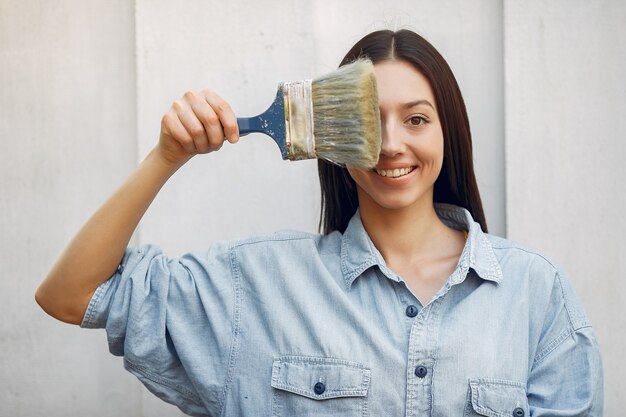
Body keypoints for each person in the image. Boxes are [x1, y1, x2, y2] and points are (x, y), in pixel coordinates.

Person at [35, 29, 603, 416]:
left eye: (417, 119)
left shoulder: (536, 294)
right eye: (370, 120)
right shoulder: (254, 287)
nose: (391, 144)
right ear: (335, 139)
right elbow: (70, 295)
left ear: (447, 132)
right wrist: (166, 156)